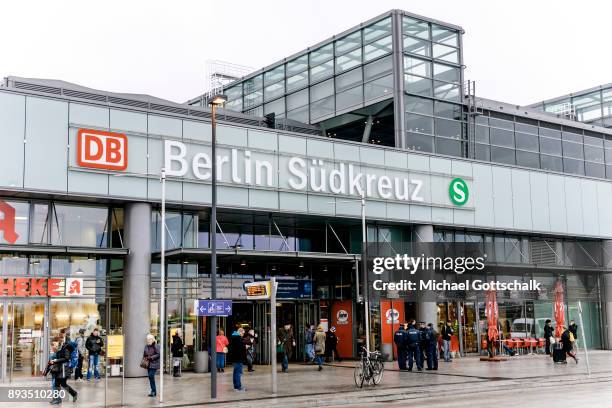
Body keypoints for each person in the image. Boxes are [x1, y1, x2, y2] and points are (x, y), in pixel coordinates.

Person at [49, 329, 78, 405]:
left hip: (64, 368)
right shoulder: (59, 348)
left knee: (62, 384)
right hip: (60, 368)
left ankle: (73, 394)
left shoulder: (66, 347)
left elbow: (66, 358)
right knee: (58, 384)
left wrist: (56, 360)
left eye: (55, 344)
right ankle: (58, 399)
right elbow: (58, 357)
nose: (54, 345)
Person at [228, 327, 247, 391]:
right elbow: (239, 349)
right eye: (243, 333)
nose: (243, 335)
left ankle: (235, 387)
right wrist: (245, 347)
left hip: (234, 358)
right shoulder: (238, 338)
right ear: (240, 332)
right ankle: (239, 387)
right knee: (238, 373)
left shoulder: (233, 337)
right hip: (238, 358)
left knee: (235, 373)